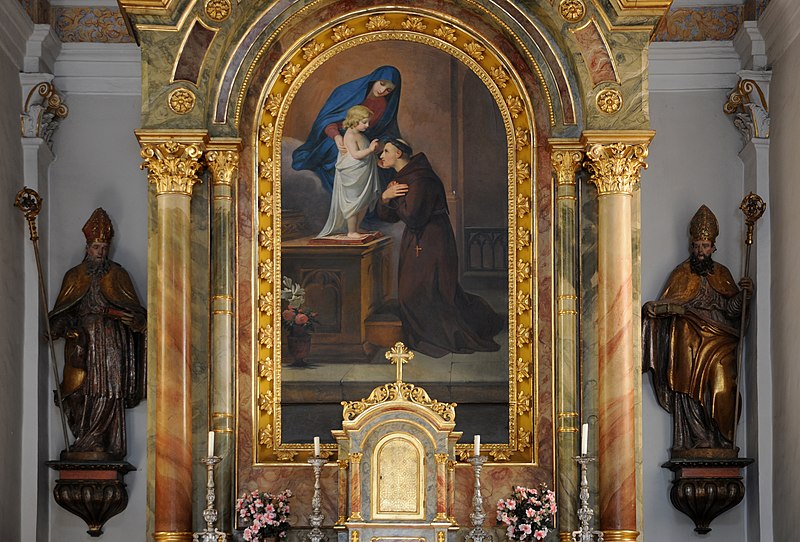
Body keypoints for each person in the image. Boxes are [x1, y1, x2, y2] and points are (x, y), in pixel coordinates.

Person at [376, 138, 504, 358]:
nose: (381, 156)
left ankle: (435, 336)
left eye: (386, 151)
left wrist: (392, 199)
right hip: (418, 240)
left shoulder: (421, 179)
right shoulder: (404, 178)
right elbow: (387, 217)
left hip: (432, 241)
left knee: (423, 292)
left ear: (399, 153)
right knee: (415, 292)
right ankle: (428, 333)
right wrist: (385, 199)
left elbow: (414, 217)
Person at [643, 205, 752, 452]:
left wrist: (745, 293)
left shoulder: (722, 273)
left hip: (720, 340)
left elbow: (733, 310)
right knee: (688, 386)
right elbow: (668, 302)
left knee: (723, 387)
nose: (700, 251)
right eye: (696, 246)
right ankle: (698, 436)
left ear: (713, 246)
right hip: (689, 339)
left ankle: (723, 440)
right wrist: (656, 308)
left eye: (705, 246)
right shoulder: (682, 273)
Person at [49, 208, 146, 460]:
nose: (100, 253)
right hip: (82, 341)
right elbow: (63, 311)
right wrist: (57, 327)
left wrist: (135, 320)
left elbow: (138, 314)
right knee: (80, 389)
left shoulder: (118, 275)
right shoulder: (75, 276)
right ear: (87, 247)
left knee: (108, 390)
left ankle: (102, 442)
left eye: (103, 247)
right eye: (95, 247)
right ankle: (83, 439)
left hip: (113, 340)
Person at [292, 66, 402, 191]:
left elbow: (384, 131)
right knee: (336, 152)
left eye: (388, 90)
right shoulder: (347, 92)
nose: (383, 91)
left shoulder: (383, 106)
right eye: (381, 84)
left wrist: (378, 145)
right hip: (337, 137)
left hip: (364, 143)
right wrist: (336, 136)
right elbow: (326, 120)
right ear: (374, 79)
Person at [316, 105, 381, 238]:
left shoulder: (359, 134)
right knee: (354, 202)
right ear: (354, 120)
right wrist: (370, 150)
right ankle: (351, 231)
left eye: (368, 122)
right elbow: (355, 154)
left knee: (364, 201)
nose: (367, 125)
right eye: (364, 122)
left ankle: (356, 228)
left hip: (363, 172)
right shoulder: (350, 135)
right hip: (353, 174)